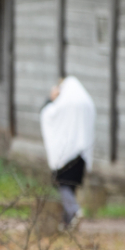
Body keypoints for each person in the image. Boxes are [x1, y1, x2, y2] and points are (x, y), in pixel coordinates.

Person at [41, 77, 96, 229]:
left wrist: (51, 98)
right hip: (81, 154)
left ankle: (74, 211)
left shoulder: (62, 105)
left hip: (64, 154)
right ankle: (67, 222)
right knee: (71, 188)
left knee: (63, 185)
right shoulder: (86, 103)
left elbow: (47, 113)